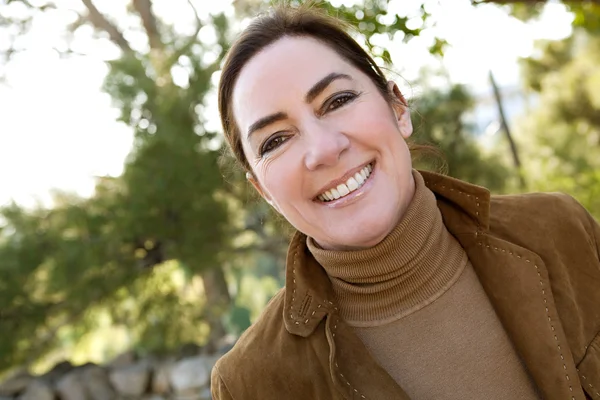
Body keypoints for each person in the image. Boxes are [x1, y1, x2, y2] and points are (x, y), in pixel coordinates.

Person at [211, 3, 600, 400]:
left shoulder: (563, 230)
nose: (324, 150)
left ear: (398, 108)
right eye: (275, 140)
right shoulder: (250, 383)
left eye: (337, 100)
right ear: (264, 191)